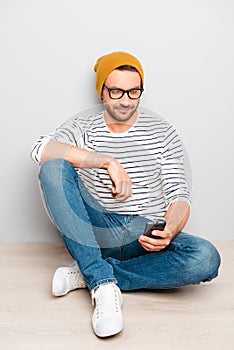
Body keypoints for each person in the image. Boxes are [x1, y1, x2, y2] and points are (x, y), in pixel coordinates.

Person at [30, 51, 221, 338]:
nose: (125, 99)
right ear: (103, 93)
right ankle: (103, 286)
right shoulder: (84, 126)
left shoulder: (162, 133)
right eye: (117, 91)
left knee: (206, 257)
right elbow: (40, 150)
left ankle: (92, 273)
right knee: (53, 168)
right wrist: (107, 161)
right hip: (96, 229)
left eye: (133, 91)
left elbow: (179, 195)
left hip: (141, 235)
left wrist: (171, 228)